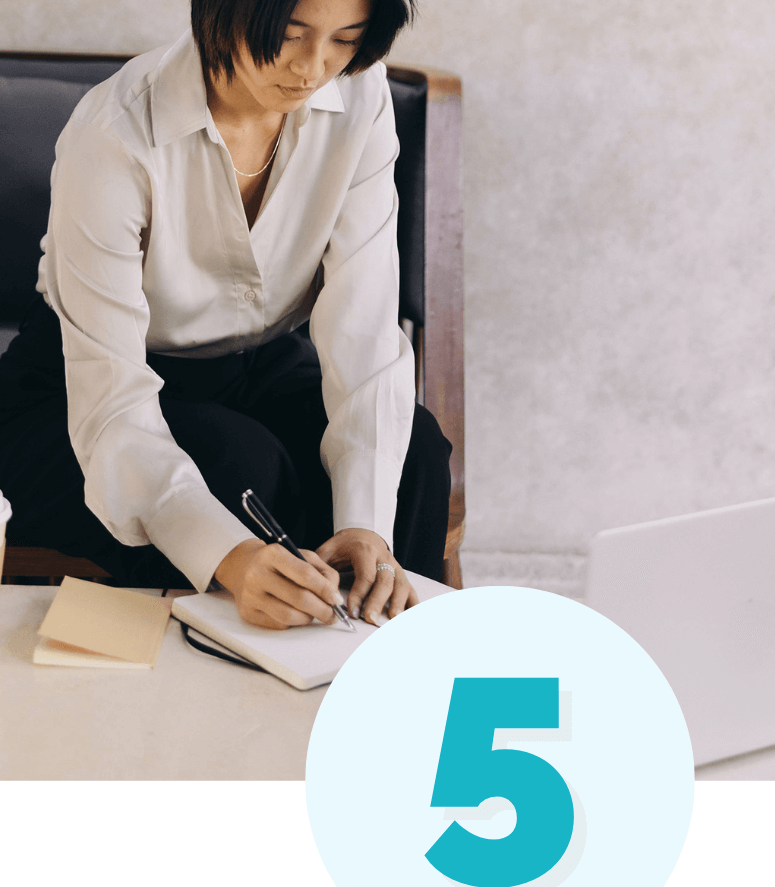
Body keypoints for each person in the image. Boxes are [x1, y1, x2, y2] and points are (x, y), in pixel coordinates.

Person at [0, 0, 453, 629]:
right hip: (79, 392)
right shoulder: (115, 132)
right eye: (290, 36)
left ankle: (383, 674)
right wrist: (230, 558)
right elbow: (110, 398)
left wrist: (363, 525)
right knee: (236, 469)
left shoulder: (358, 96)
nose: (312, 68)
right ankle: (217, 709)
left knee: (416, 456)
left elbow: (364, 330)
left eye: (344, 40)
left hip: (256, 366)